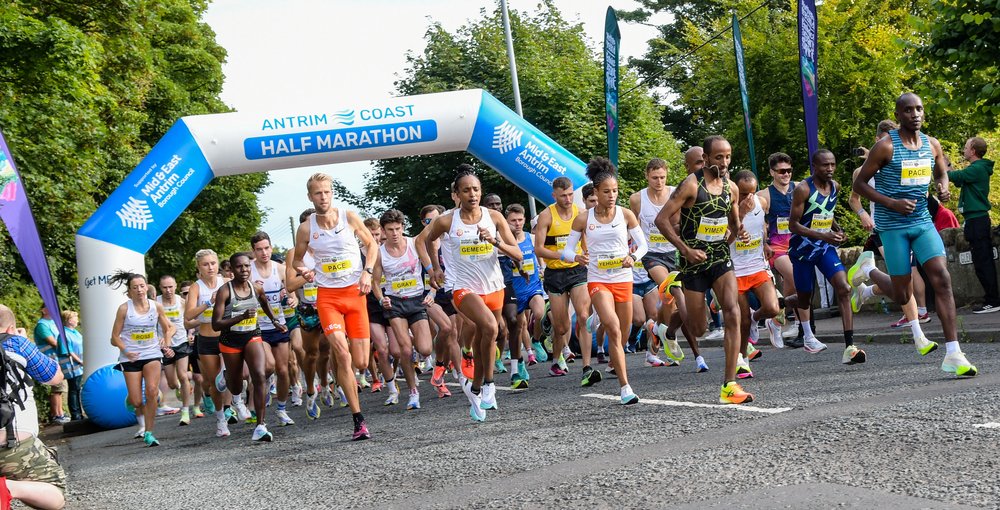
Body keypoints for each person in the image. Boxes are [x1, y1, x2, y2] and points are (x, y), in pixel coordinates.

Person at [854, 92, 978, 377]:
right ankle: (869, 271)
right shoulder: (885, 147)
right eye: (908, 110)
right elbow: (860, 185)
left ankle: (954, 353)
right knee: (903, 293)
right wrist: (892, 203)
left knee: (942, 279)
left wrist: (943, 186)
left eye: (919, 109)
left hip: (922, 222)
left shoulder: (931, 144)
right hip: (892, 226)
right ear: (898, 115)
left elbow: (941, 172)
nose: (915, 114)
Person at [655, 135, 753, 404]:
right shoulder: (691, 184)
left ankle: (729, 385)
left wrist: (740, 230)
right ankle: (673, 307)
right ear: (706, 158)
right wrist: (685, 250)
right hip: (693, 263)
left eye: (728, 156)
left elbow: (733, 224)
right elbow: (661, 220)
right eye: (718, 157)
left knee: (733, 311)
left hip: (720, 258)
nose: (724, 162)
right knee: (699, 329)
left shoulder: (731, 188)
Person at [424, 168, 522, 422]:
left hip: (494, 286)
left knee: (486, 338)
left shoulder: (494, 217)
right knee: (490, 327)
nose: (472, 194)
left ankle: (475, 388)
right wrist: (435, 268)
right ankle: (489, 384)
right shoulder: (446, 221)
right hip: (462, 287)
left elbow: (518, 254)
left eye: (476, 189)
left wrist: (495, 242)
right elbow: (428, 240)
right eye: (466, 190)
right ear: (457, 194)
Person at [292, 173, 378, 440]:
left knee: (361, 362)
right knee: (341, 352)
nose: (323, 197)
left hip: (355, 294)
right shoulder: (306, 228)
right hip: (328, 297)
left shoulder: (348, 217)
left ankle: (352, 376)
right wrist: (304, 271)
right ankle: (358, 420)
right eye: (318, 193)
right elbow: (296, 261)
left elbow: (372, 244)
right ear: (310, 197)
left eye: (327, 192)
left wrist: (367, 272)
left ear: (332, 193)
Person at [564, 157, 648, 404]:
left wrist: (633, 256)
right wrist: (577, 257)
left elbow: (643, 245)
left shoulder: (626, 215)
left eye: (615, 191)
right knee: (613, 327)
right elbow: (566, 251)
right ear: (596, 192)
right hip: (598, 280)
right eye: (606, 192)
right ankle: (625, 388)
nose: (612, 196)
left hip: (623, 279)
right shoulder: (584, 219)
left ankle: (599, 321)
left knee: (623, 333)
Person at [849, 120, 932, 329]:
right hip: (883, 227)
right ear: (877, 139)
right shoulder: (862, 171)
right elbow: (854, 199)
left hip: (911, 223)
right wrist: (863, 215)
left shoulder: (903, 163)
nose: (891, 144)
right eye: (886, 139)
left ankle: (917, 309)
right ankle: (914, 319)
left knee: (910, 273)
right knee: (902, 277)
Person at [788, 150, 865, 363]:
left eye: (832, 164)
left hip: (824, 248)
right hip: (802, 250)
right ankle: (784, 304)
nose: (830, 169)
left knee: (844, 288)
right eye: (825, 165)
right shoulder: (803, 189)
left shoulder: (835, 187)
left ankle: (850, 347)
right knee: (805, 299)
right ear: (814, 166)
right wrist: (824, 235)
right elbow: (793, 225)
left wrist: (838, 230)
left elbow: (825, 213)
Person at [0, 304, 67, 510]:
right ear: (10, 328)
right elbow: (55, 377)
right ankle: (7, 487)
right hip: (13, 444)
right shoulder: (16, 343)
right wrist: (24, 341)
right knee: (56, 492)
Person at [212, 253, 285, 442]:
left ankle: (260, 426)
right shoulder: (225, 291)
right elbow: (216, 324)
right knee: (236, 388)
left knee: (259, 375)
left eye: (246, 266)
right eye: (239, 267)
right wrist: (240, 317)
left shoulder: (256, 288)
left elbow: (265, 304)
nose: (244, 270)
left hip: (252, 335)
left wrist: (275, 321)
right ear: (232, 269)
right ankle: (226, 375)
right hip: (230, 340)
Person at [630, 158, 690, 368]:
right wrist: (630, 247)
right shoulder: (637, 199)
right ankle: (668, 337)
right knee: (671, 288)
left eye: (662, 177)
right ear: (647, 176)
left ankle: (656, 333)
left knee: (668, 301)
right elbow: (632, 226)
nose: (659, 182)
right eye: (655, 177)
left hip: (673, 252)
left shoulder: (675, 193)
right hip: (651, 254)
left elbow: (683, 221)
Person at [372, 209, 435, 410]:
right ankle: (413, 392)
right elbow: (375, 283)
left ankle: (416, 343)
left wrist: (432, 293)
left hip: (417, 301)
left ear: (403, 228)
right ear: (383, 231)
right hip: (395, 303)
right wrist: (381, 299)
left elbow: (433, 271)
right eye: (390, 230)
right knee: (405, 350)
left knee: (425, 349)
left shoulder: (414, 244)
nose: (394, 233)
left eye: (398, 229)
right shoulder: (379, 253)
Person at [533, 176, 593, 383]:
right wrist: (565, 255)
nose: (568, 199)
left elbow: (585, 240)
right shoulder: (546, 216)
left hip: (577, 271)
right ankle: (556, 359)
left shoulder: (580, 213)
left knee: (583, 316)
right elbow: (538, 249)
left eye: (570, 195)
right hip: (555, 274)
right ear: (554, 195)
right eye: (563, 196)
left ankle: (587, 367)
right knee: (562, 327)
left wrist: (586, 254)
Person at [109, 271, 176, 447]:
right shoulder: (124, 309)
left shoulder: (156, 307)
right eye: (135, 287)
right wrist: (126, 350)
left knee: (152, 391)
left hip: (152, 353)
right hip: (130, 358)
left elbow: (170, 328)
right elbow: (114, 338)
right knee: (137, 401)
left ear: (147, 287)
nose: (139, 290)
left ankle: (149, 432)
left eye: (141, 286)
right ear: (129, 291)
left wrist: (167, 344)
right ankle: (132, 399)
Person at [730, 171, 783, 375]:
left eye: (751, 192)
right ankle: (743, 359)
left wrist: (765, 243)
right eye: (743, 193)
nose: (748, 198)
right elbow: (725, 240)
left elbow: (761, 226)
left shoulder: (761, 202)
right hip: (735, 270)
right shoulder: (727, 208)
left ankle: (756, 317)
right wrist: (741, 214)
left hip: (757, 266)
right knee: (742, 320)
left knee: (772, 308)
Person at [758, 153, 810, 349]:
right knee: (797, 278)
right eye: (781, 171)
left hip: (798, 244)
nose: (786, 174)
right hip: (777, 248)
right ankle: (803, 328)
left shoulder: (800, 188)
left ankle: (778, 319)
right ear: (772, 172)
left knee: (791, 285)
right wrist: (764, 243)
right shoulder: (764, 195)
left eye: (789, 170)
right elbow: (758, 222)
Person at [285, 208, 332, 418]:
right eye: (307, 226)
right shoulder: (294, 254)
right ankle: (311, 391)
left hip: (328, 303)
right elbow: (290, 285)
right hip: (308, 308)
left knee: (328, 350)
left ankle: (326, 384)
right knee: (311, 353)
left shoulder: (328, 246)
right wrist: (309, 274)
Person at [184, 249, 237, 437]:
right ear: (199, 267)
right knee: (215, 383)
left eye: (213, 263)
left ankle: (232, 405)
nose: (210, 267)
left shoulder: (227, 282)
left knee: (232, 374)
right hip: (206, 340)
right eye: (205, 264)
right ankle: (220, 418)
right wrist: (208, 303)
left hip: (227, 336)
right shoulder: (196, 288)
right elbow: (188, 316)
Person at [250, 232, 296, 426]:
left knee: (283, 370)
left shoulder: (281, 269)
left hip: (279, 324)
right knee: (269, 366)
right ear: (253, 251)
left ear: (271, 247)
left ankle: (282, 409)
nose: (264, 252)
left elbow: (293, 293)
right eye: (259, 249)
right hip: (258, 327)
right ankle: (265, 383)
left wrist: (293, 300)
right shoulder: (249, 271)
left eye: (267, 248)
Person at [950, 136, 998, 313]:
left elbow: (955, 176)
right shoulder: (975, 169)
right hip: (974, 221)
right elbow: (958, 180)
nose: (964, 150)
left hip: (978, 221)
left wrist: (941, 164)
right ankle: (991, 299)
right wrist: (947, 166)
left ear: (973, 151)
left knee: (983, 262)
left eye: (966, 147)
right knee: (980, 261)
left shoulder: (977, 168)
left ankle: (993, 301)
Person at [506, 203, 544, 388]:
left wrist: (543, 267)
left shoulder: (531, 237)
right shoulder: (504, 242)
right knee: (518, 326)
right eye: (513, 220)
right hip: (515, 290)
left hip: (532, 287)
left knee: (540, 313)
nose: (517, 223)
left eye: (520, 220)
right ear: (506, 221)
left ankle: (536, 340)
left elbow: (540, 254)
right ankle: (520, 362)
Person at [155, 275, 194, 425]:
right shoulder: (155, 303)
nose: (168, 290)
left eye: (170, 287)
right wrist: (158, 339)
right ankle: (178, 387)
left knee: (183, 376)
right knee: (172, 383)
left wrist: (190, 334)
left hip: (181, 342)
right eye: (165, 287)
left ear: (175, 286)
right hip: (165, 345)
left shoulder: (182, 302)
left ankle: (185, 412)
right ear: (160, 288)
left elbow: (189, 320)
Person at [32, 307, 67, 424]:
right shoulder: (42, 325)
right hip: (50, 360)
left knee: (59, 389)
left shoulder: (51, 323)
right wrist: (66, 349)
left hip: (57, 359)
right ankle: (57, 415)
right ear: (43, 310)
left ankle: (60, 413)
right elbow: (53, 341)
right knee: (56, 388)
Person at [58, 311, 84, 422]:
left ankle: (79, 413)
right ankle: (75, 414)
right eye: (75, 318)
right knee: (74, 389)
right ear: (68, 320)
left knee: (77, 389)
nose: (77, 320)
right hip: (72, 366)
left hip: (79, 366)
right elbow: (69, 351)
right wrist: (80, 361)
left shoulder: (75, 332)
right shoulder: (63, 334)